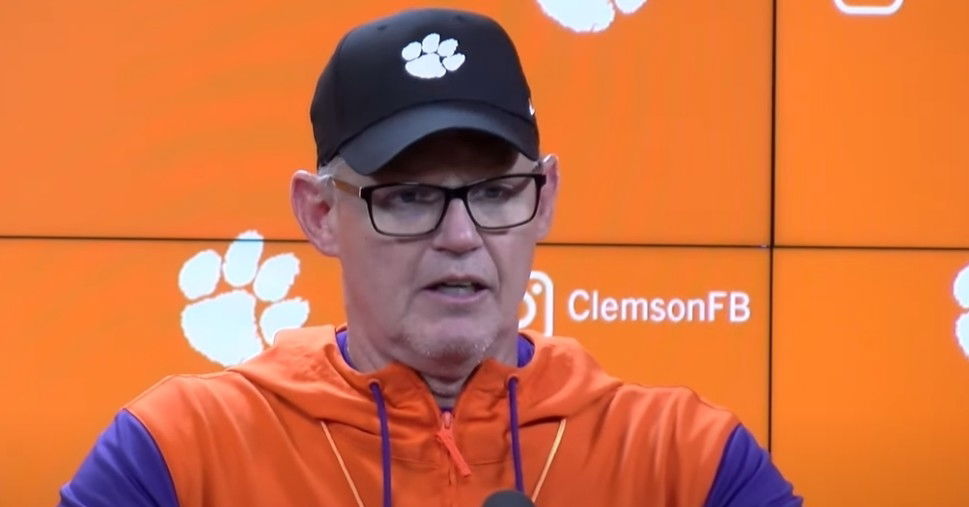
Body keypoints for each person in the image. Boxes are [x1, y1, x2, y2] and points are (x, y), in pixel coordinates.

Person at [60, 7, 801, 506]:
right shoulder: (179, 452)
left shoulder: (684, 461)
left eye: (495, 191)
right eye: (409, 197)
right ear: (320, 214)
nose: (460, 235)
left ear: (544, 198)